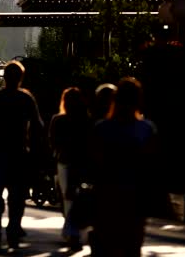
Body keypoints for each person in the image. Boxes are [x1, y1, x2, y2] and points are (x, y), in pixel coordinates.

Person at [0, 60, 45, 252]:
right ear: (21, 78)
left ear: (4, 77)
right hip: (19, 153)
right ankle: (13, 230)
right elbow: (37, 127)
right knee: (16, 197)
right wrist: (35, 150)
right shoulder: (26, 98)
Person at [90, 77, 159, 257]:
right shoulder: (146, 129)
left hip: (107, 198)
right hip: (134, 200)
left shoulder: (102, 128)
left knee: (105, 245)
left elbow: (92, 165)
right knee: (132, 247)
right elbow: (152, 166)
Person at [48, 86, 92, 252]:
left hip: (64, 161)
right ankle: (75, 231)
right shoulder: (86, 120)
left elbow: (52, 142)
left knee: (67, 197)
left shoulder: (58, 120)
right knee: (79, 197)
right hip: (83, 162)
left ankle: (72, 232)